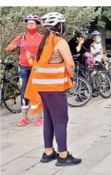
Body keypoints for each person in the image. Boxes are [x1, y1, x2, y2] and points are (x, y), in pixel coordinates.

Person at [25, 12, 81, 166]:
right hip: (55, 88)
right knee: (61, 120)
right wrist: (71, 78)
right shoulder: (59, 41)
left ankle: (48, 152)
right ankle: (63, 155)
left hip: (42, 87)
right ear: (60, 26)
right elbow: (70, 64)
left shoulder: (44, 42)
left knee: (49, 120)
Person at [5, 14, 44, 127]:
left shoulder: (42, 37)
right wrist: (16, 45)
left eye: (32, 24)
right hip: (23, 66)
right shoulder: (22, 36)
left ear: (37, 25)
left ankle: (39, 117)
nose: (29, 25)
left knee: (37, 90)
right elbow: (8, 48)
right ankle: (24, 117)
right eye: (28, 24)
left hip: (36, 67)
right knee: (24, 91)